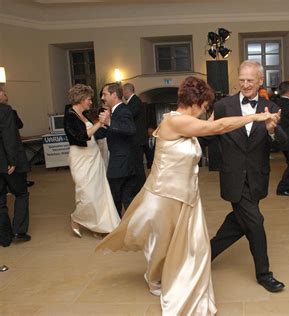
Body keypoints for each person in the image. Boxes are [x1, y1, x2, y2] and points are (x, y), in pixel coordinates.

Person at [96, 76, 277, 315]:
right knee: (162, 246)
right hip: (165, 197)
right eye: (204, 106)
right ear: (196, 102)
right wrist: (255, 116)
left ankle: (185, 281)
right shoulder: (174, 121)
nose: (205, 112)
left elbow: (213, 123)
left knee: (194, 248)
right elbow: (217, 127)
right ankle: (156, 279)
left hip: (187, 197)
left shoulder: (188, 122)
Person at [202, 60, 287, 293]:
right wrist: (184, 130)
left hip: (257, 177)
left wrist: (271, 130)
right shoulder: (222, 106)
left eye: (250, 80)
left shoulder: (271, 106)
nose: (245, 84)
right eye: (242, 80)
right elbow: (207, 135)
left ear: (260, 81)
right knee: (255, 222)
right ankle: (264, 274)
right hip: (233, 177)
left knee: (237, 223)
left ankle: (203, 257)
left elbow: (285, 142)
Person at [64, 84, 120, 237]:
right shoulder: (69, 116)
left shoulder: (86, 114)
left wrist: (109, 125)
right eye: (88, 99)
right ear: (81, 99)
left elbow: (98, 133)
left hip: (94, 155)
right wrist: (100, 123)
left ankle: (98, 227)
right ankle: (76, 217)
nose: (90, 102)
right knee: (86, 194)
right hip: (80, 158)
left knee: (99, 193)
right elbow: (83, 135)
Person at [96, 83, 136, 217]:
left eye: (105, 94)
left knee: (117, 198)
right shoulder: (114, 111)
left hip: (121, 163)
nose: (102, 97)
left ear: (114, 95)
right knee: (123, 198)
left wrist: (109, 122)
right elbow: (105, 132)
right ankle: (125, 229)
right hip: (121, 162)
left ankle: (119, 228)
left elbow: (130, 129)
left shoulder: (123, 110)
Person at [0, 101, 30, 246]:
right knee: (21, 194)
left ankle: (4, 237)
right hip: (8, 163)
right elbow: (8, 135)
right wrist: (12, 160)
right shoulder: (5, 110)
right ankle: (19, 230)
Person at [123, 83, 147, 195]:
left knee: (138, 164)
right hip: (137, 138)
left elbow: (129, 116)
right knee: (137, 164)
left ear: (127, 91)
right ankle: (138, 186)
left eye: (123, 92)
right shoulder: (134, 101)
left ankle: (141, 187)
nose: (122, 94)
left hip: (137, 139)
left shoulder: (135, 102)